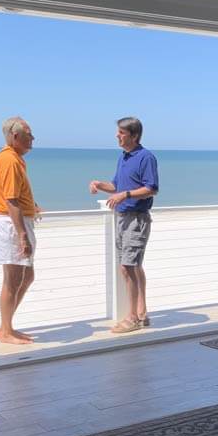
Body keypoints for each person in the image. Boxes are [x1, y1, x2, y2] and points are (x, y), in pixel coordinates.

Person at [88, 117, 159, 334]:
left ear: (134, 135)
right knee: (133, 265)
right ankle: (141, 313)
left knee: (128, 266)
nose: (117, 136)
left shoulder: (146, 157)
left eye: (121, 132)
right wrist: (100, 185)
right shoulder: (124, 157)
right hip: (122, 217)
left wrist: (125, 195)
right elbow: (116, 186)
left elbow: (152, 188)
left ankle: (133, 318)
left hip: (136, 219)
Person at [0, 116, 40, 345]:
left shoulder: (13, 159)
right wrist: (22, 236)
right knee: (13, 279)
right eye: (29, 135)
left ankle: (6, 326)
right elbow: (10, 201)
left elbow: (15, 196)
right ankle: (5, 331)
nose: (33, 139)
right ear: (16, 136)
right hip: (10, 226)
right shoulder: (9, 160)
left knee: (26, 276)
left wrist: (32, 207)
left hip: (15, 222)